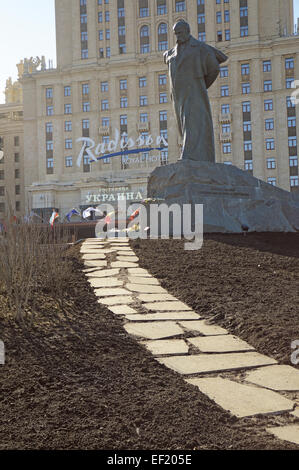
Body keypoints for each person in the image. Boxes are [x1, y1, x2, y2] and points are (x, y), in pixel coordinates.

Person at [164, 20, 228, 162]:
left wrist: (200, 86)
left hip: (194, 93)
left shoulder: (200, 48)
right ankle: (191, 156)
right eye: (176, 33)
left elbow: (214, 68)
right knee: (184, 126)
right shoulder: (169, 54)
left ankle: (190, 157)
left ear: (187, 31)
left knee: (194, 124)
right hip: (178, 97)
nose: (177, 36)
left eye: (180, 33)